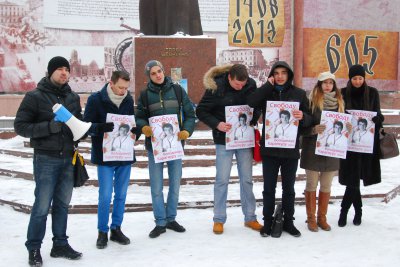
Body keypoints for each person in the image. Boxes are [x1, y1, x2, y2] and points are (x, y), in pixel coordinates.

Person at [14, 56, 83, 266]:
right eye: (60, 69)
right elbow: (21, 126)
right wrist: (48, 127)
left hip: (68, 158)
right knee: (42, 206)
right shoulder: (35, 96)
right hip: (46, 159)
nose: (64, 73)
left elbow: (77, 124)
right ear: (50, 71)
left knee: (62, 205)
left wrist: (81, 132)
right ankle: (34, 248)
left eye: (67, 69)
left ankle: (60, 244)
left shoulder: (73, 97)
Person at [247, 61, 312, 238]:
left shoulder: (299, 94)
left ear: (289, 75)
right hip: (270, 150)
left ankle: (289, 222)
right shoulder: (267, 93)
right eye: (276, 73)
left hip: (290, 151)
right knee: (269, 188)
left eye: (284, 72)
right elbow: (251, 101)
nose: (280, 76)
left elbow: (310, 119)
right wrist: (267, 85)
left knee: (289, 189)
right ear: (272, 75)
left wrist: (303, 117)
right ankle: (267, 222)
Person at [196, 64, 263, 234]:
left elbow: (257, 105)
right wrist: (217, 124)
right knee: (222, 180)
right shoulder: (215, 87)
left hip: (244, 140)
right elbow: (201, 111)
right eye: (236, 84)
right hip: (223, 140)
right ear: (229, 78)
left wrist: (253, 119)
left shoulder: (251, 85)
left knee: (247, 179)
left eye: (243, 84)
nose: (240, 87)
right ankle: (219, 219)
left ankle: (250, 217)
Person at [136, 60, 196, 238]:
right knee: (156, 186)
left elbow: (190, 113)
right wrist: (144, 127)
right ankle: (160, 222)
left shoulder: (177, 90)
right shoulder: (145, 94)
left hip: (175, 146)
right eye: (153, 73)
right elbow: (139, 117)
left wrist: (186, 130)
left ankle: (171, 218)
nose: (158, 75)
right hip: (154, 148)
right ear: (149, 76)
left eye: (159, 71)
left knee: (175, 184)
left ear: (163, 71)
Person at [84, 70, 139, 249]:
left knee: (121, 195)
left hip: (124, 155)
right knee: (105, 195)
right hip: (105, 156)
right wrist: (101, 127)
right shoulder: (95, 99)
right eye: (120, 87)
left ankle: (116, 229)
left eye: (126, 88)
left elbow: (131, 123)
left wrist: (135, 132)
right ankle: (102, 231)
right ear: (111, 83)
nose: (123, 91)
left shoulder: (128, 100)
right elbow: (86, 127)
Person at [300, 71, 347, 232]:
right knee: (311, 183)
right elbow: (302, 127)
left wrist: (348, 128)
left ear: (334, 85)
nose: (328, 86)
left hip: (332, 151)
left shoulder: (340, 103)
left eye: (330, 83)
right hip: (313, 149)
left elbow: (343, 126)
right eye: (324, 83)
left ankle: (322, 218)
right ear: (319, 85)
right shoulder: (310, 101)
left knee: (326, 185)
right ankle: (311, 218)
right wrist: (313, 129)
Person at [338, 64, 384, 227]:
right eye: (354, 78)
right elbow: (338, 115)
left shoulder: (372, 93)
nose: (357, 81)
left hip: (365, 143)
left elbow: (378, 113)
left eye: (360, 78)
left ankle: (345, 212)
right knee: (353, 178)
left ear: (364, 78)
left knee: (355, 178)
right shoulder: (342, 93)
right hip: (348, 143)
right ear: (350, 79)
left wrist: (378, 119)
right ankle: (356, 211)